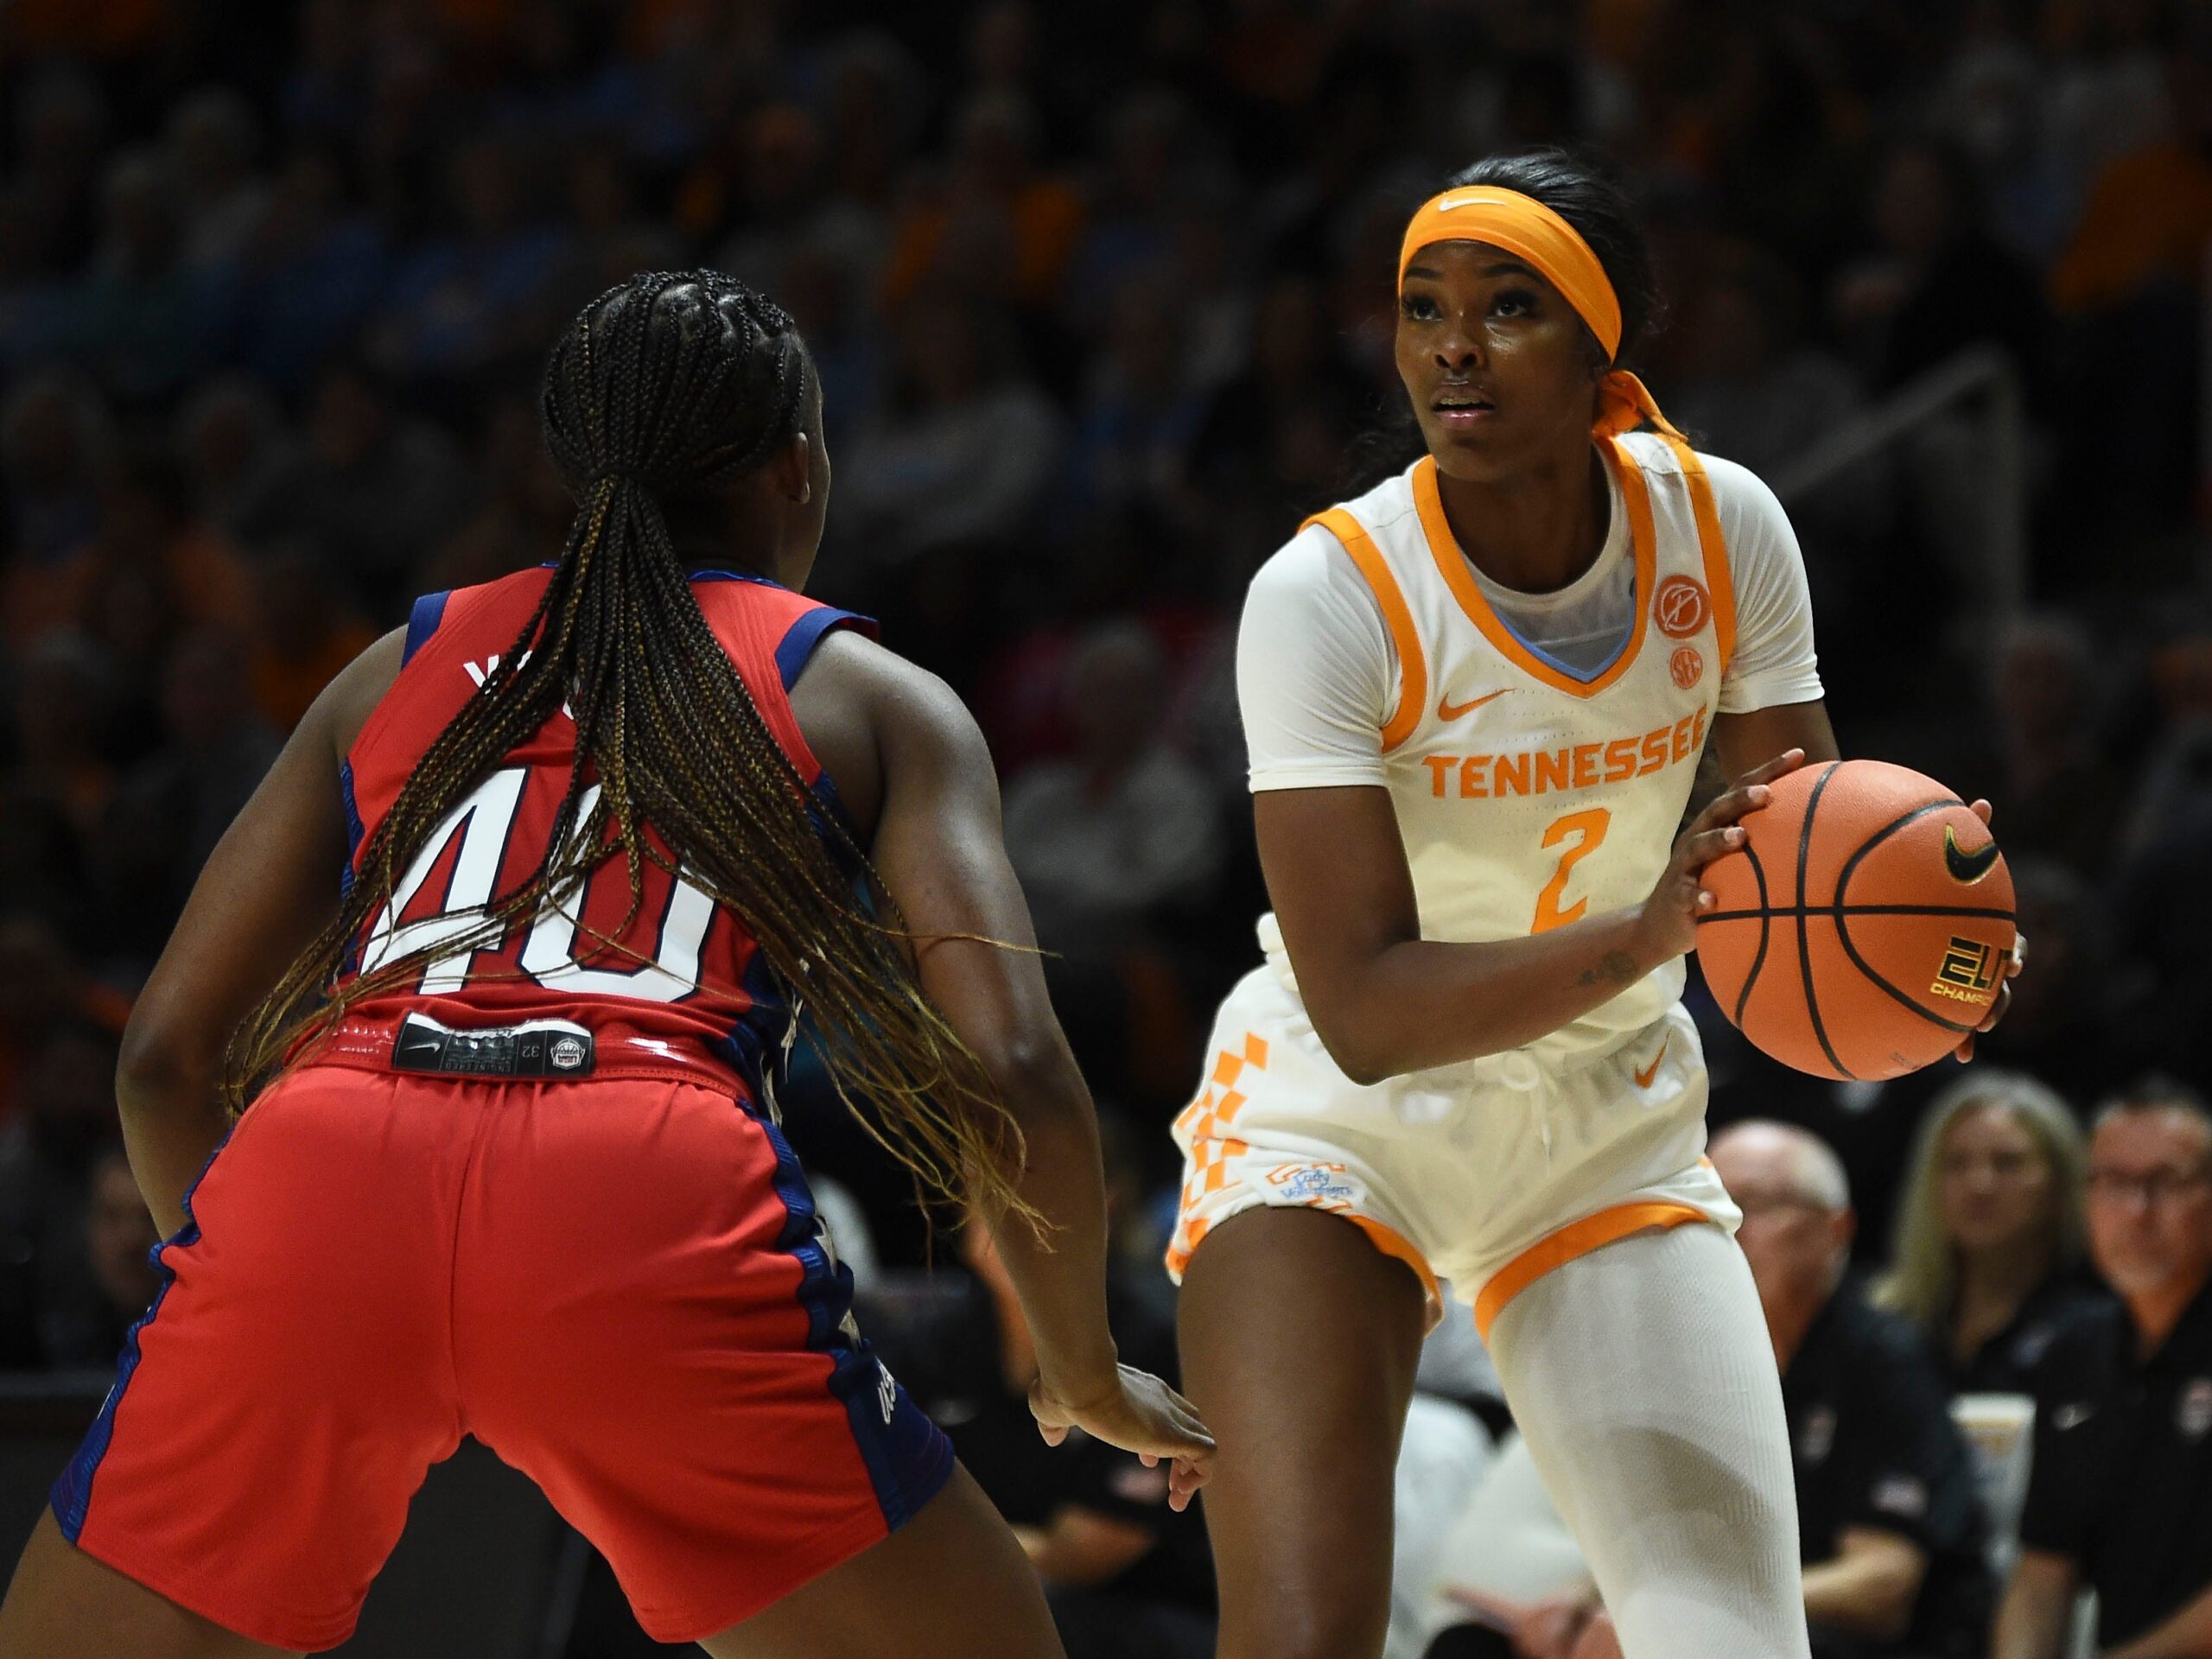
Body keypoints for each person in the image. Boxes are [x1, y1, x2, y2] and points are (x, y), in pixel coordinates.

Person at [0, 271, 1211, 1659]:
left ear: (573, 475)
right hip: (642, 1179)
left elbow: (162, 1059)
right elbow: (1009, 1070)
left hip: (323, 1164)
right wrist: (1079, 1367)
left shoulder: (398, 661)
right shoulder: (867, 694)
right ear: (798, 467)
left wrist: (278, 1302)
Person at [1164, 147, 2014, 1659]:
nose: (1454, 346)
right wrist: (1643, 937)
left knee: (1732, 1643)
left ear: (1603, 337)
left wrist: (1911, 977)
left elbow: (1802, 861)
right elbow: (1362, 1011)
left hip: (1603, 1119)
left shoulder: (1725, 526)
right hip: (1339, 1118)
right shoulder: (1331, 593)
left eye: (1510, 307)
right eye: (1424, 308)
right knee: (1305, 1640)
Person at [1424, 1123, 1993, 1659]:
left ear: (1834, 1230)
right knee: (1470, 1647)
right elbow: (1671, 1548)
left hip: (1854, 1640)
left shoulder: (1883, 1357)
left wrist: (1671, 1622)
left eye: (1754, 1204)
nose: (1725, 1227)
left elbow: (1881, 1589)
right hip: (1721, 1624)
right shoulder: (1695, 1355)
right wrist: (1585, 1596)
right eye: (1707, 1205)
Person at [1993, 1080, 2212, 1659]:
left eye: (2165, 1182)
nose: (2137, 1212)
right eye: (2114, 1182)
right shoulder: (2075, 1351)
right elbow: (2044, 1568)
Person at [1874, 1070, 2099, 1395]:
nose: (1979, 1185)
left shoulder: (2100, 1329)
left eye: (2008, 1163)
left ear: (2060, 1184)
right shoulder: (1888, 1324)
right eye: (1956, 1163)